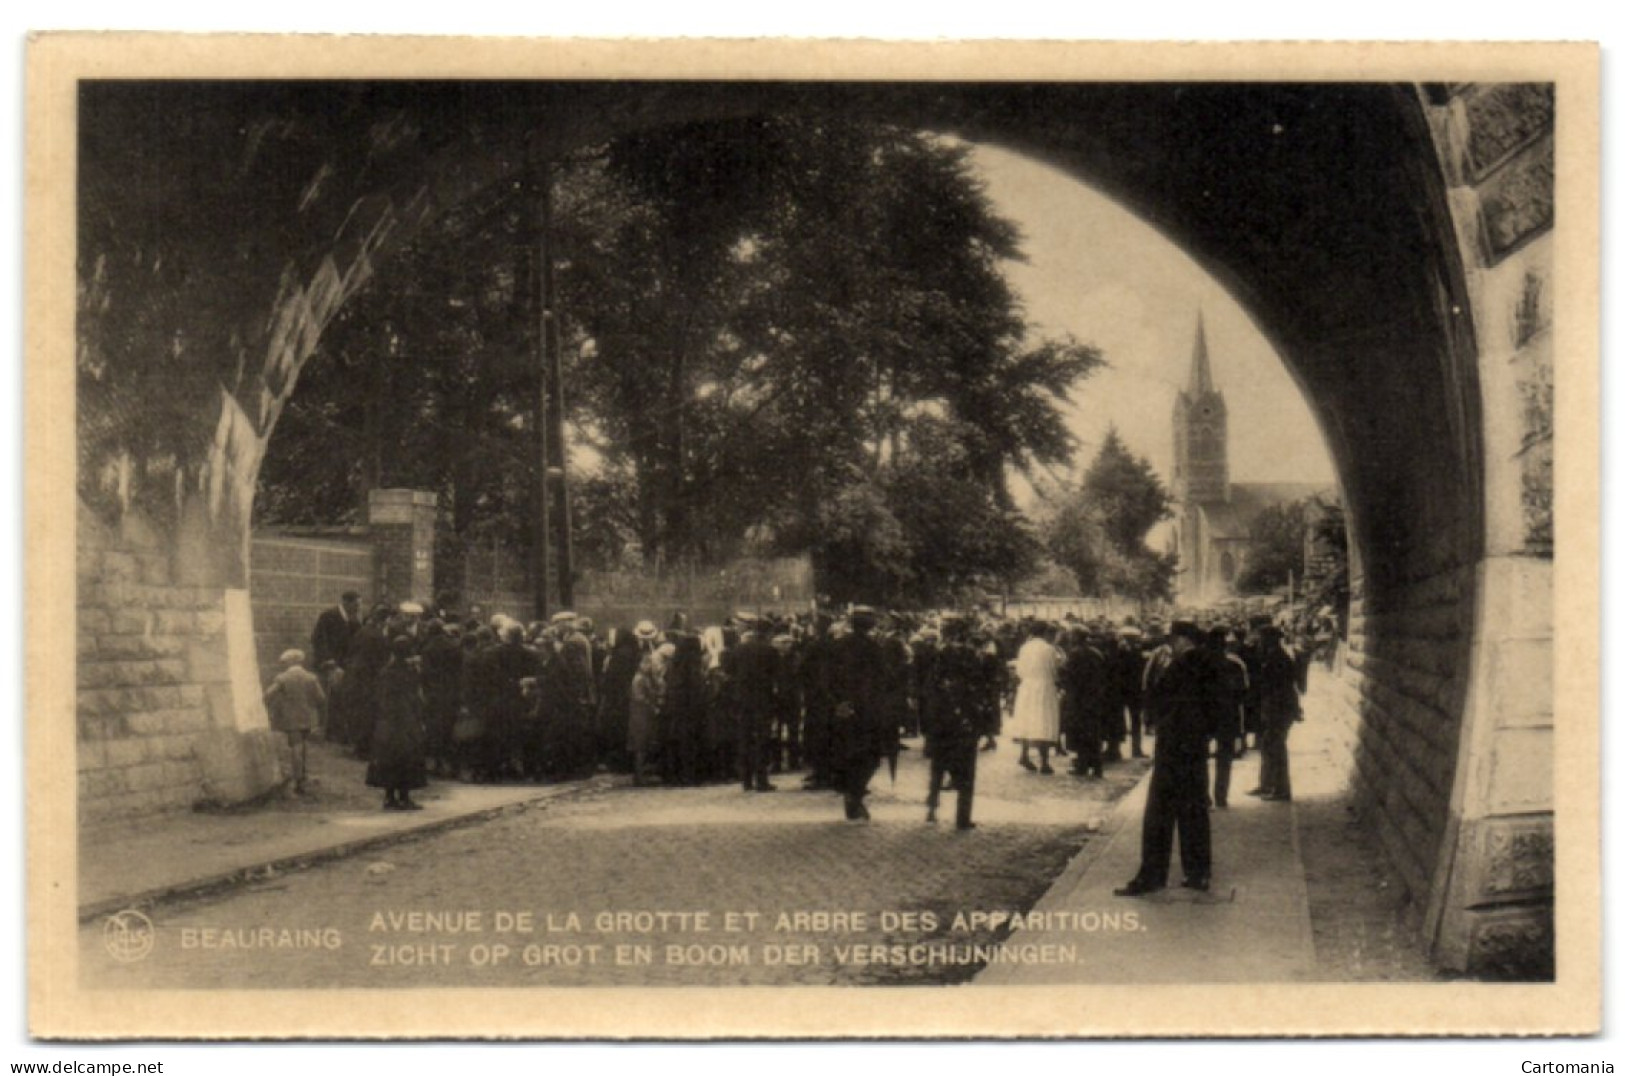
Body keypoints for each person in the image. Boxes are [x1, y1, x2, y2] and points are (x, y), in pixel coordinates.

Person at [1115, 620, 1224, 896]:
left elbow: (1158, 698)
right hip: (1196, 747)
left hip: (1174, 746)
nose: (1170, 646)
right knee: (1194, 810)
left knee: (1159, 812)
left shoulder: (1180, 666)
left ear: (1183, 640)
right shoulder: (1211, 663)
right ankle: (1198, 873)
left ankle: (1152, 875)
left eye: (1172, 641)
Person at [922, 615, 989, 830]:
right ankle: (962, 818)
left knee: (938, 765)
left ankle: (932, 807)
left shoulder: (937, 654)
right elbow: (978, 685)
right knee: (966, 769)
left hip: (941, 718)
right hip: (964, 718)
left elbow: (931, 686)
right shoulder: (970, 655)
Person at [829, 605, 890, 821]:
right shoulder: (874, 648)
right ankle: (854, 795)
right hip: (867, 710)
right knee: (871, 756)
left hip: (843, 709)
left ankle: (851, 793)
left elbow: (826, 678)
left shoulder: (837, 646)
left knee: (847, 753)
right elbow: (883, 680)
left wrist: (837, 703)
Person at [367, 635, 429, 811]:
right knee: (407, 757)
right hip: (406, 720)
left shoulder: (385, 672)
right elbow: (416, 697)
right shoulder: (410, 672)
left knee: (389, 757)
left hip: (388, 721)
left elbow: (378, 697)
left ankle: (389, 797)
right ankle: (404, 796)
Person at [1250, 624, 1303, 802]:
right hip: (1276, 709)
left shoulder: (1278, 659)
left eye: (1262, 639)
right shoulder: (1275, 657)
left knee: (1276, 748)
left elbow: (1279, 689)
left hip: (1279, 710)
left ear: (1269, 640)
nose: (1259, 642)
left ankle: (1281, 789)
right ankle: (1266, 784)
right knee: (1267, 746)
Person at [730, 615, 781, 793]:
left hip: (742, 699)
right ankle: (761, 780)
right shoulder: (771, 651)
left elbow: (731, 672)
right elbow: (777, 676)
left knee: (744, 738)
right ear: (767, 632)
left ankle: (745, 780)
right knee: (762, 739)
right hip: (763, 700)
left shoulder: (739, 649)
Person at [264, 648, 324, 793]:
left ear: (290, 662)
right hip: (308, 718)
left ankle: (298, 781)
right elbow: (321, 698)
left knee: (296, 748)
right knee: (302, 746)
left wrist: (275, 706)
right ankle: (302, 776)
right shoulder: (311, 677)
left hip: (291, 718)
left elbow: (268, 695)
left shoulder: (283, 678)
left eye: (285, 662)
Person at [1008, 623, 1062, 774]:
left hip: (1027, 687)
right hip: (1044, 686)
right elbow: (1054, 670)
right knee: (1043, 721)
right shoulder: (1049, 649)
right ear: (1045, 632)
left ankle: (1024, 755)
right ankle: (1044, 762)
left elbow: (1019, 670)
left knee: (1027, 721)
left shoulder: (1024, 648)